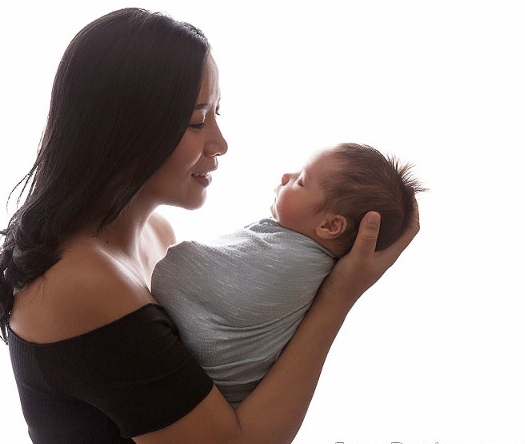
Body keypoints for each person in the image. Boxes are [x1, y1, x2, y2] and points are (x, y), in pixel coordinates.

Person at [0, 8, 419, 444]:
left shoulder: (154, 237)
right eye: (197, 121)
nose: (220, 142)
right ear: (127, 131)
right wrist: (338, 297)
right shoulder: (79, 281)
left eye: (217, 113)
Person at [153, 143, 424, 406]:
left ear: (330, 225)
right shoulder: (305, 255)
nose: (286, 176)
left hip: (202, 388)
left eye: (301, 181)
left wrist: (156, 256)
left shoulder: (292, 263)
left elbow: (174, 272)